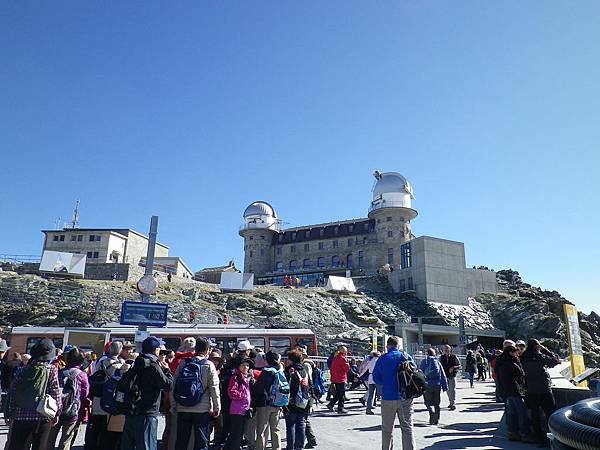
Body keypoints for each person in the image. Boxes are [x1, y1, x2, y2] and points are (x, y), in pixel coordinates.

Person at [6, 338, 62, 450]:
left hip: (20, 414)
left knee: (17, 445)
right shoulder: (51, 370)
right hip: (42, 414)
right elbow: (55, 392)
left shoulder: (22, 370)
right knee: (39, 446)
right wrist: (57, 412)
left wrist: (9, 412)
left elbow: (13, 391)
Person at [121, 336, 174, 450]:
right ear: (155, 350)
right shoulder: (152, 365)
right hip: (147, 412)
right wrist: (167, 370)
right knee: (147, 445)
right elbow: (168, 385)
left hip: (131, 410)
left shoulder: (136, 362)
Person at [173, 337, 221, 450]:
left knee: (181, 441)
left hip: (183, 406)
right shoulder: (209, 365)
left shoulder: (184, 363)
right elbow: (214, 388)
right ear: (207, 350)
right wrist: (216, 407)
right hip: (202, 409)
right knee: (201, 442)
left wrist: (174, 404)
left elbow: (174, 384)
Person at [373, 336, 415, 450]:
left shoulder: (382, 359)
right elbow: (414, 373)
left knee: (387, 429)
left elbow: (376, 378)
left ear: (387, 346)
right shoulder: (406, 356)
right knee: (407, 428)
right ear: (398, 346)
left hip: (388, 397)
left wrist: (386, 381)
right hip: (405, 397)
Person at [84, 341, 126, 450]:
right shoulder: (116, 364)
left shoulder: (100, 361)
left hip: (98, 399)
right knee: (105, 431)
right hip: (108, 400)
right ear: (120, 350)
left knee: (95, 428)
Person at [47, 347, 90, 450]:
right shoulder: (82, 375)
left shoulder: (59, 372)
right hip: (72, 410)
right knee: (66, 439)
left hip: (56, 408)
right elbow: (85, 393)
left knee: (50, 438)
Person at [520, 339, 560, 444]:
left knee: (535, 415)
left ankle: (539, 438)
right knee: (550, 413)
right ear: (537, 346)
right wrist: (545, 350)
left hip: (530, 390)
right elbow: (556, 361)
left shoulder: (523, 357)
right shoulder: (540, 356)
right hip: (544, 389)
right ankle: (554, 437)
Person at [495, 345, 536, 443]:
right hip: (515, 391)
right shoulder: (511, 363)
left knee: (511, 414)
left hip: (506, 392)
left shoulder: (500, 362)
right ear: (511, 353)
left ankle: (512, 433)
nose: (517, 353)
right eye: (515, 352)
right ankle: (525, 434)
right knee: (522, 413)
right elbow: (520, 373)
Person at [252, 351, 283, 450]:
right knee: (275, 429)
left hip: (265, 404)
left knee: (261, 430)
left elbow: (258, 388)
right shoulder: (279, 371)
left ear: (267, 360)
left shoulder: (266, 372)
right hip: (277, 403)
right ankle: (277, 448)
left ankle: (260, 448)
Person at [284, 350, 311, 450]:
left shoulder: (290, 371)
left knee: (291, 424)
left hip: (292, 401)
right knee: (301, 424)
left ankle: (290, 446)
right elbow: (309, 385)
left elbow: (289, 386)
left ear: (291, 360)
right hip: (303, 401)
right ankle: (299, 446)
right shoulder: (304, 370)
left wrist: (289, 399)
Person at [226, 358, 253, 450]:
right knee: (236, 433)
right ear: (239, 366)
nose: (246, 367)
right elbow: (231, 392)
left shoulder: (247, 377)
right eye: (243, 365)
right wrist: (243, 395)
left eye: (247, 365)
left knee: (240, 433)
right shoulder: (236, 377)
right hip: (237, 410)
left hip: (244, 410)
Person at [419, 348, 447, 425]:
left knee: (427, 401)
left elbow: (420, 373)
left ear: (427, 354)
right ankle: (437, 419)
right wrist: (445, 386)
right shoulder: (437, 362)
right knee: (437, 403)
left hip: (427, 384)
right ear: (434, 354)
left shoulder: (424, 361)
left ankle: (431, 412)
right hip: (437, 385)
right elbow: (442, 374)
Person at [327, 346, 349, 414]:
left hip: (335, 377)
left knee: (338, 393)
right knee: (341, 393)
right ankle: (340, 408)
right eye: (346, 352)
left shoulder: (335, 358)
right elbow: (347, 368)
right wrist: (348, 363)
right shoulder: (342, 358)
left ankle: (331, 404)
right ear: (344, 352)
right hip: (341, 377)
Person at [439, 345, 461, 410]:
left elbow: (459, 365)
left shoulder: (454, 357)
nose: (447, 351)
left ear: (450, 350)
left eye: (448, 350)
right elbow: (439, 366)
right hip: (445, 376)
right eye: (445, 350)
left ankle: (452, 403)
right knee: (447, 390)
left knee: (452, 390)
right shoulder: (441, 358)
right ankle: (450, 402)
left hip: (452, 376)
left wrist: (454, 367)